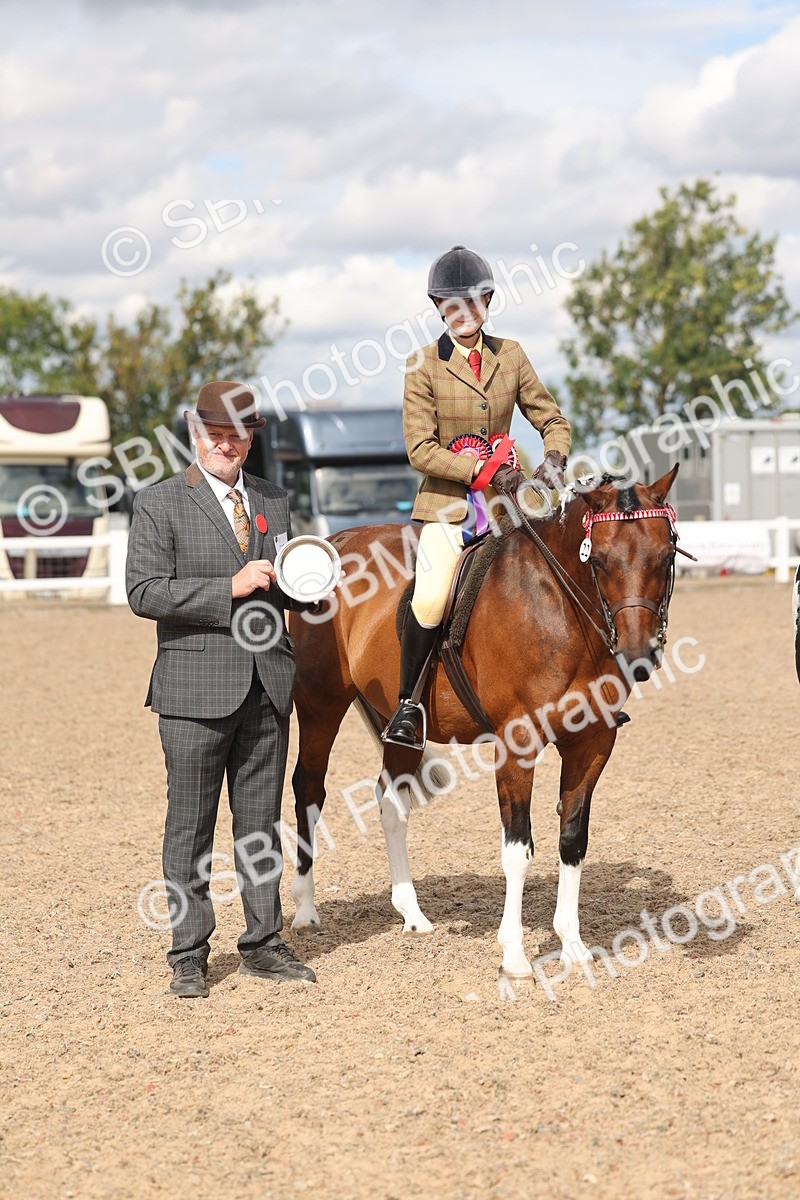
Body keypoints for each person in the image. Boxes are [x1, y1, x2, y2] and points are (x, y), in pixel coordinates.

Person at [126, 380, 316, 998]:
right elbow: (144, 592)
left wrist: (309, 585)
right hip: (193, 690)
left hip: (267, 686)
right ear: (194, 433)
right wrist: (228, 588)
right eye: (215, 433)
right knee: (191, 827)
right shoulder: (158, 503)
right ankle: (188, 952)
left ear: (251, 439)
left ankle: (263, 943)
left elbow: (282, 584)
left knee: (260, 827)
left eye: (238, 434)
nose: (226, 444)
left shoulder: (274, 500)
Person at [383, 245, 572, 746]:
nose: (464, 312)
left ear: (487, 301)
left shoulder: (510, 355)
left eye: (473, 301)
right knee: (431, 595)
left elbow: (551, 417)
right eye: (452, 304)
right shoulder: (423, 364)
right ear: (439, 308)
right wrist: (482, 470)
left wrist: (554, 456)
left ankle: (579, 688)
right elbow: (420, 449)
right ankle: (408, 706)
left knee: (558, 573)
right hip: (448, 506)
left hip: (510, 504)